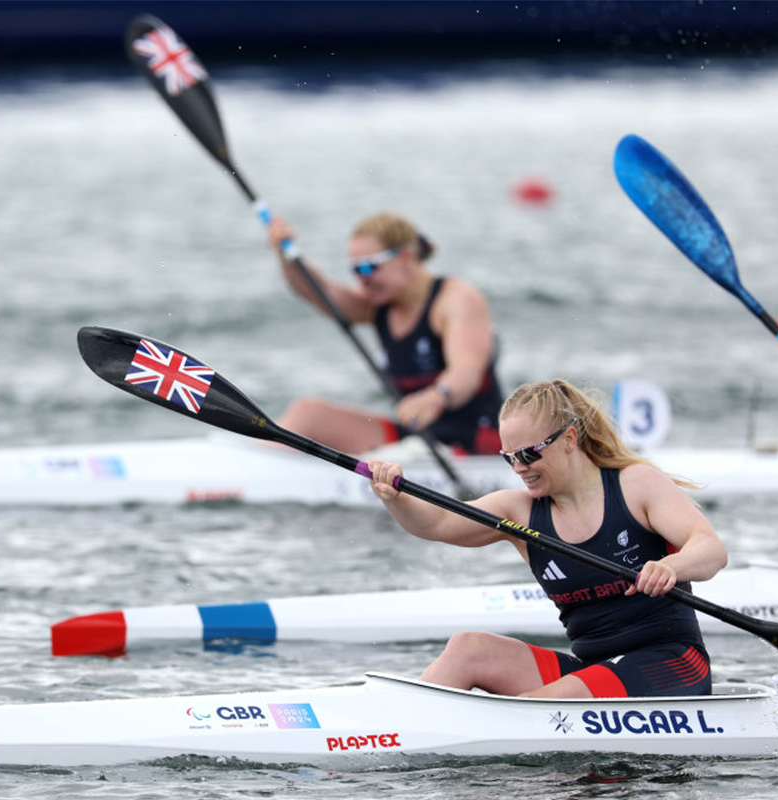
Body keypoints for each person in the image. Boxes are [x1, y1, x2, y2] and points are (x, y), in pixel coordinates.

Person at [366, 379, 727, 698]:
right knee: (466, 649)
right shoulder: (518, 511)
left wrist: (671, 566)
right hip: (591, 669)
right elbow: (437, 523)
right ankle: (389, 734)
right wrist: (395, 497)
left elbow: (710, 549)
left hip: (671, 664)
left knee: (537, 707)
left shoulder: (635, 484)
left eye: (528, 453)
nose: (520, 467)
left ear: (569, 439)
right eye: (509, 458)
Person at [267, 211, 503, 455]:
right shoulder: (378, 304)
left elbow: (467, 370)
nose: (363, 279)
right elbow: (321, 292)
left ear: (406, 257)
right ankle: (257, 463)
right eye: (355, 270)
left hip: (475, 442)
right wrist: (288, 258)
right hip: (416, 435)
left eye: (369, 267)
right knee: (308, 414)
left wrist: (436, 397)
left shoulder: (456, 299)